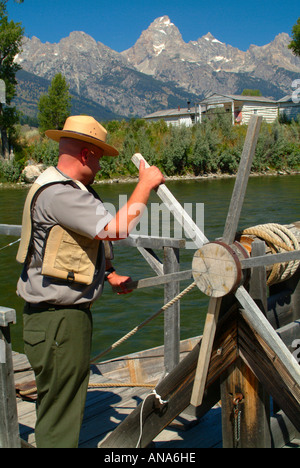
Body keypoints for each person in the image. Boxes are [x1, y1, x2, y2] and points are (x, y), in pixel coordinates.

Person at [16, 115, 165, 448]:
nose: (100, 165)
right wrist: (145, 184)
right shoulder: (61, 195)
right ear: (85, 154)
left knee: (57, 403)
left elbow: (74, 244)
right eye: (98, 157)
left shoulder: (61, 188)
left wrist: (109, 274)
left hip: (55, 319)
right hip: (60, 322)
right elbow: (115, 229)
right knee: (62, 415)